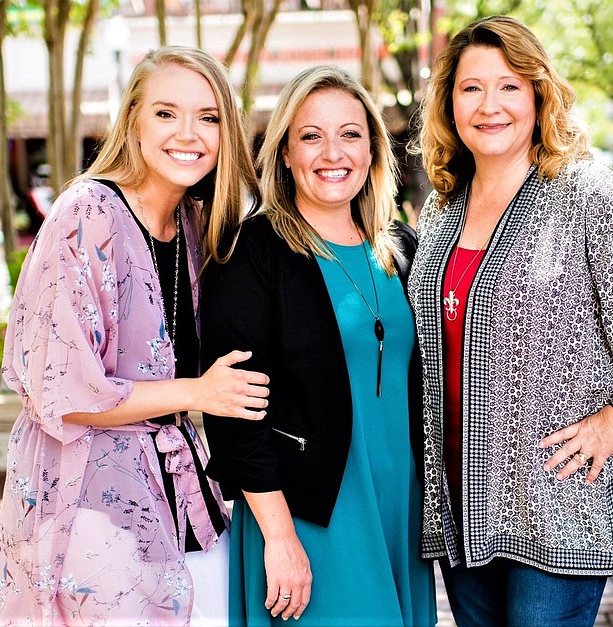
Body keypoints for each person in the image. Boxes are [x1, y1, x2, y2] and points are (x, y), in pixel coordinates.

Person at [408, 15, 613, 627]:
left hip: (556, 506)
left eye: (510, 86)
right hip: (460, 510)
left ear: (539, 96)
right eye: (471, 87)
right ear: (449, 101)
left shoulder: (585, 195)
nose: (490, 105)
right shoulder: (443, 208)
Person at [0, 46, 269, 627]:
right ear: (132, 120)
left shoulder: (192, 221)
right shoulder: (86, 214)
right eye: (166, 113)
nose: (188, 133)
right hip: (87, 497)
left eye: (208, 117)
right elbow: (63, 389)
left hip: (180, 491)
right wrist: (197, 393)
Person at [201, 65, 437, 626]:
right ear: (285, 153)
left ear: (374, 149)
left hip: (397, 506)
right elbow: (234, 413)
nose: (333, 152)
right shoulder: (252, 251)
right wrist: (279, 538)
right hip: (308, 516)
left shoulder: (401, 247)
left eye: (350, 133)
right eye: (311, 135)